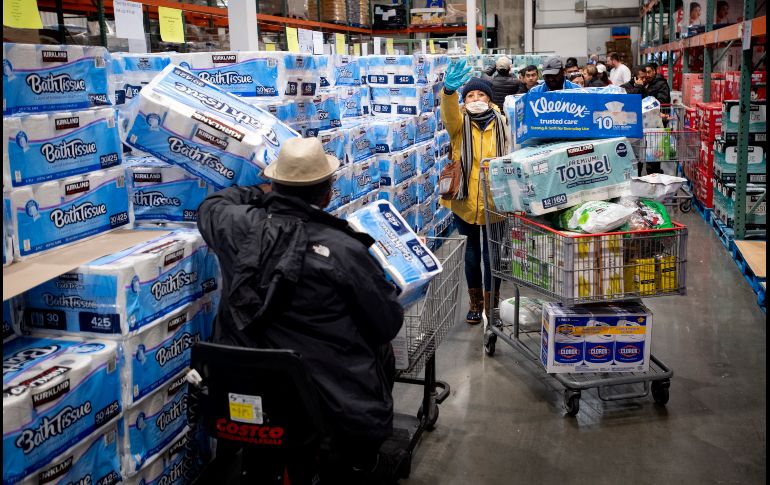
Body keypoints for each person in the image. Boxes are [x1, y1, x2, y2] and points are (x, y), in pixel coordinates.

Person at [197, 137, 406, 483]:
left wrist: (260, 193)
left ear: (275, 184)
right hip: (326, 399)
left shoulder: (234, 227)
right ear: (326, 194)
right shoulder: (343, 250)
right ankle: (361, 461)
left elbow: (213, 204)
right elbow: (388, 322)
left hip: (246, 385)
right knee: (381, 351)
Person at [440, 60, 509, 324]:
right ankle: (475, 302)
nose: (476, 98)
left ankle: (492, 307)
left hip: (496, 201)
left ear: (490, 98)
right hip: (464, 200)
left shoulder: (502, 122)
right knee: (471, 255)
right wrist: (449, 93)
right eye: (470, 95)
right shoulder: (459, 123)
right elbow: (449, 114)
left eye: (481, 94)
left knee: (493, 256)